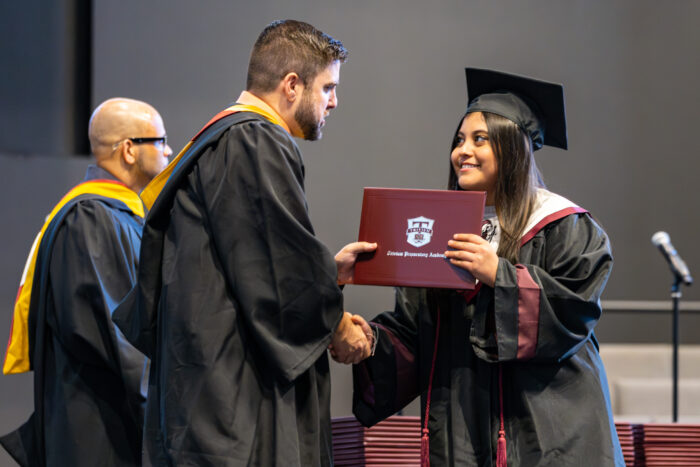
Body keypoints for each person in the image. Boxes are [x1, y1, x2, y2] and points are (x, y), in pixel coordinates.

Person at [112, 20, 374, 466]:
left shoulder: (220, 139)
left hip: (205, 397)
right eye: (328, 87)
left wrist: (326, 276)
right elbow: (278, 270)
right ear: (292, 85)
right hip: (236, 406)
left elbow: (247, 263)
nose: (335, 101)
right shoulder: (255, 138)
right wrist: (336, 324)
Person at [351, 68, 625, 466]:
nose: (463, 151)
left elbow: (572, 312)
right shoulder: (441, 232)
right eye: (459, 140)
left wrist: (499, 274)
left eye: (480, 139)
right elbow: (415, 333)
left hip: (548, 434)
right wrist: (368, 342)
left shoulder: (565, 226)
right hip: (463, 427)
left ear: (514, 148)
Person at [0, 97, 172, 466]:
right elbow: (123, 340)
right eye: (160, 140)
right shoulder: (90, 218)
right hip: (99, 433)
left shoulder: (116, 215)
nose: (169, 151)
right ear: (129, 150)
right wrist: (173, 422)